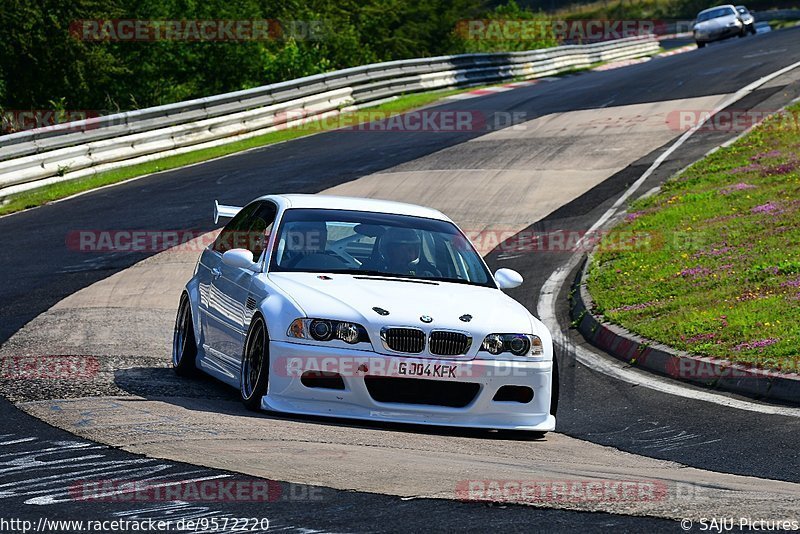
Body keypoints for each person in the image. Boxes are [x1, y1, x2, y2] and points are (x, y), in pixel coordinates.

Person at [366, 227, 440, 277]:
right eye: (401, 250)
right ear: (388, 252)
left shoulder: (427, 277)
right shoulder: (372, 273)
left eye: (411, 249)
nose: (407, 254)